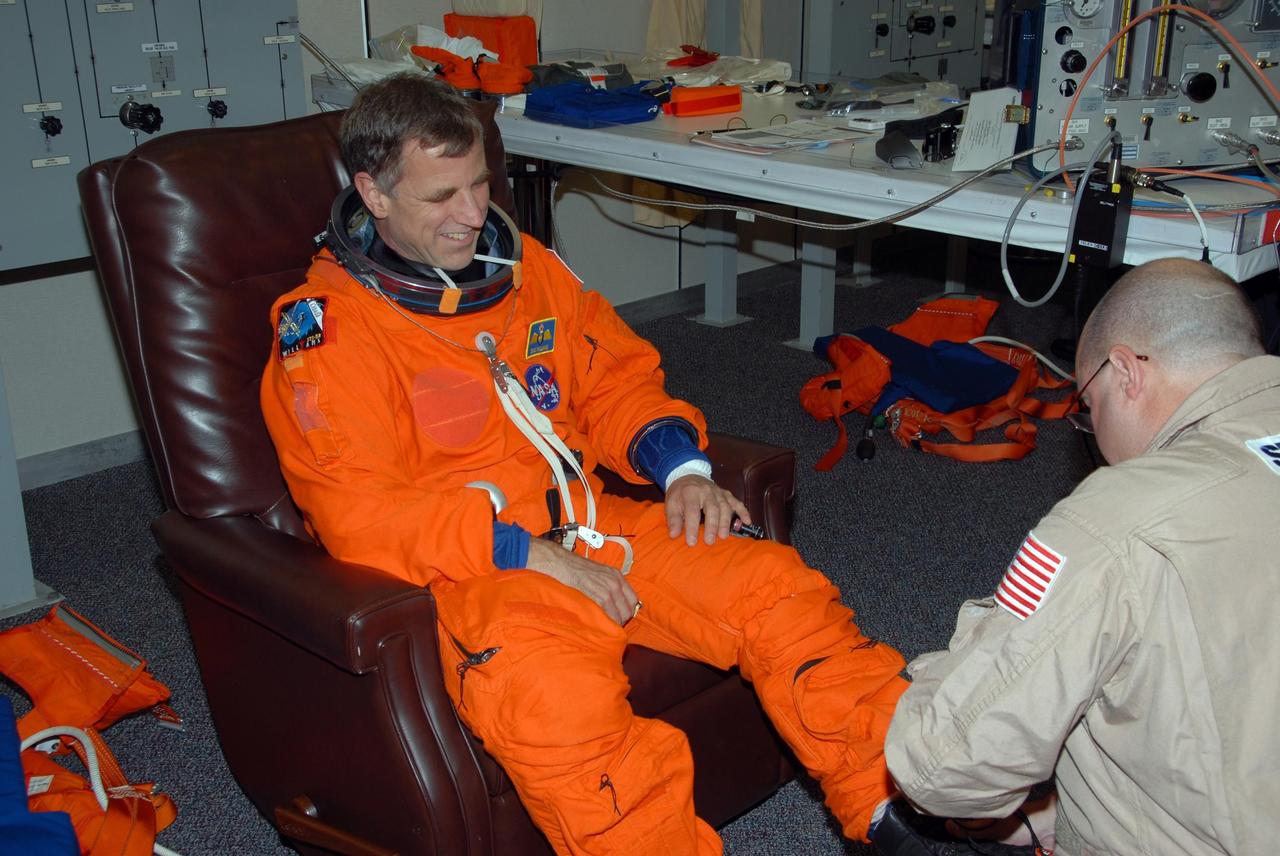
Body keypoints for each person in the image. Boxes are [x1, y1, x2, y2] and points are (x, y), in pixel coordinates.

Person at [259, 73, 908, 854]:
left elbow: (614, 381)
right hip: (475, 578)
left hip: (596, 527)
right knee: (564, 714)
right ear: (374, 193)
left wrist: (682, 471)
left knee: (778, 591)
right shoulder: (328, 335)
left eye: (480, 184)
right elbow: (358, 512)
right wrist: (524, 552)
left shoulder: (527, 269)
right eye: (442, 197)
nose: (474, 215)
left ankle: (899, 814)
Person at [881, 258, 1280, 855]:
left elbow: (944, 768)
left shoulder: (1114, 519)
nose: (1091, 431)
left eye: (1087, 409)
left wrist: (960, 662)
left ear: (1124, 372)